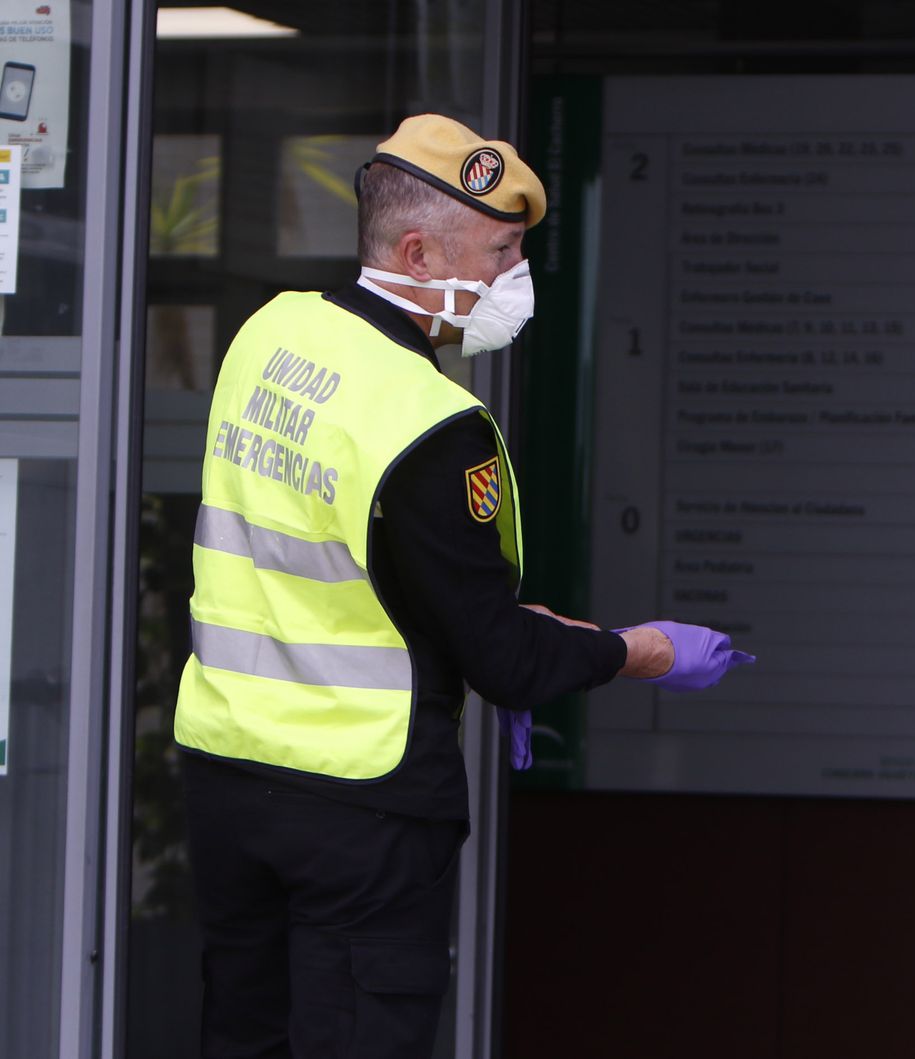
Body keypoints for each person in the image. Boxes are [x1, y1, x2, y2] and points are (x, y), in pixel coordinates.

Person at [173, 114, 751, 1058]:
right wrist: (635, 650)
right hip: (356, 803)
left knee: (246, 1037)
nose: (514, 278)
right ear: (415, 251)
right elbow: (504, 658)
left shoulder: (269, 336)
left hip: (229, 778)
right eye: (502, 251)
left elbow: (331, 558)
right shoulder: (431, 422)